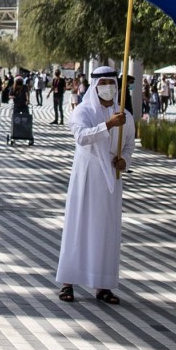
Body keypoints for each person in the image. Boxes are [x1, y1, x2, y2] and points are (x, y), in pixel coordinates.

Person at [58, 65, 132, 304]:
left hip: (110, 179)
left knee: (106, 231)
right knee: (79, 226)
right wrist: (108, 125)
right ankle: (68, 282)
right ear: (94, 86)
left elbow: (129, 144)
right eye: (103, 84)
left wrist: (124, 161)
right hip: (87, 176)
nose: (108, 88)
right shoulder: (83, 111)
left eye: (111, 83)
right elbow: (82, 136)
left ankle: (103, 285)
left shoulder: (125, 116)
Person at [8, 68, 34, 146]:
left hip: (24, 106)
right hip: (17, 106)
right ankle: (14, 134)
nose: (19, 84)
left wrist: (28, 100)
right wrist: (12, 97)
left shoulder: (24, 87)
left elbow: (27, 94)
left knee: (27, 119)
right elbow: (9, 95)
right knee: (15, 120)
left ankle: (28, 134)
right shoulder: (13, 87)